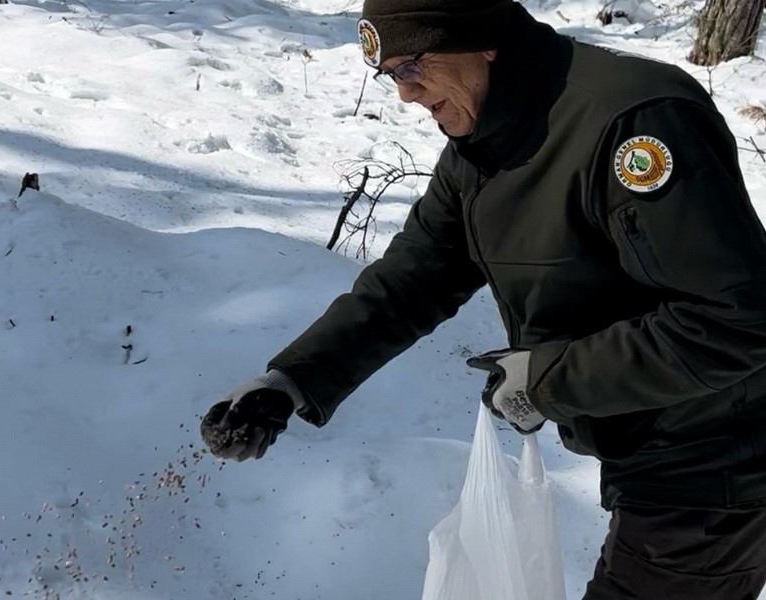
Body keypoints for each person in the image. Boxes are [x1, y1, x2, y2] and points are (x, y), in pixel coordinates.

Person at [200, 0, 766, 597]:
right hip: (654, 455)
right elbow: (411, 280)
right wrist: (291, 380)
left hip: (718, 465)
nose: (406, 96)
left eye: (412, 68)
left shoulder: (632, 123)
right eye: (391, 75)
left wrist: (549, 379)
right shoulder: (484, 138)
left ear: (481, 40)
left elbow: (737, 318)